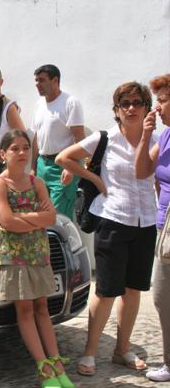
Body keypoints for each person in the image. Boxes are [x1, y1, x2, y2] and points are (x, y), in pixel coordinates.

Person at [55, 82, 157, 376]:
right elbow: (63, 157)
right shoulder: (105, 138)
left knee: (134, 289)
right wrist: (95, 180)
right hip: (113, 219)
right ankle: (89, 352)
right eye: (125, 103)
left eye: (137, 103)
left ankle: (122, 349)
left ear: (146, 108)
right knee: (107, 290)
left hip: (146, 220)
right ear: (117, 109)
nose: (131, 108)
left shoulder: (156, 139)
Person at [0, 129, 74, 388]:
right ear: (3, 154)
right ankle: (43, 368)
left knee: (42, 307)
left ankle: (57, 364)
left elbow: (51, 218)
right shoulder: (0, 184)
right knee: (24, 310)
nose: (22, 152)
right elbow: (6, 222)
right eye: (15, 148)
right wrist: (37, 218)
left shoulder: (37, 183)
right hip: (13, 257)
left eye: (26, 147)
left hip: (37, 253)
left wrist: (24, 218)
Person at [134, 73, 170, 382]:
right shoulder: (166, 135)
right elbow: (142, 170)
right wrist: (146, 135)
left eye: (162, 100)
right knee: (162, 297)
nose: (157, 107)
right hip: (164, 229)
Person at [32, 64, 86, 219]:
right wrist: (33, 168)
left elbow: (79, 138)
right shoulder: (39, 104)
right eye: (36, 80)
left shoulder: (70, 102)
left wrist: (71, 168)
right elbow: (36, 138)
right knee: (41, 215)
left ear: (55, 80)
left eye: (42, 80)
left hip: (62, 167)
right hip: (42, 166)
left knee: (57, 218)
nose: (37, 84)